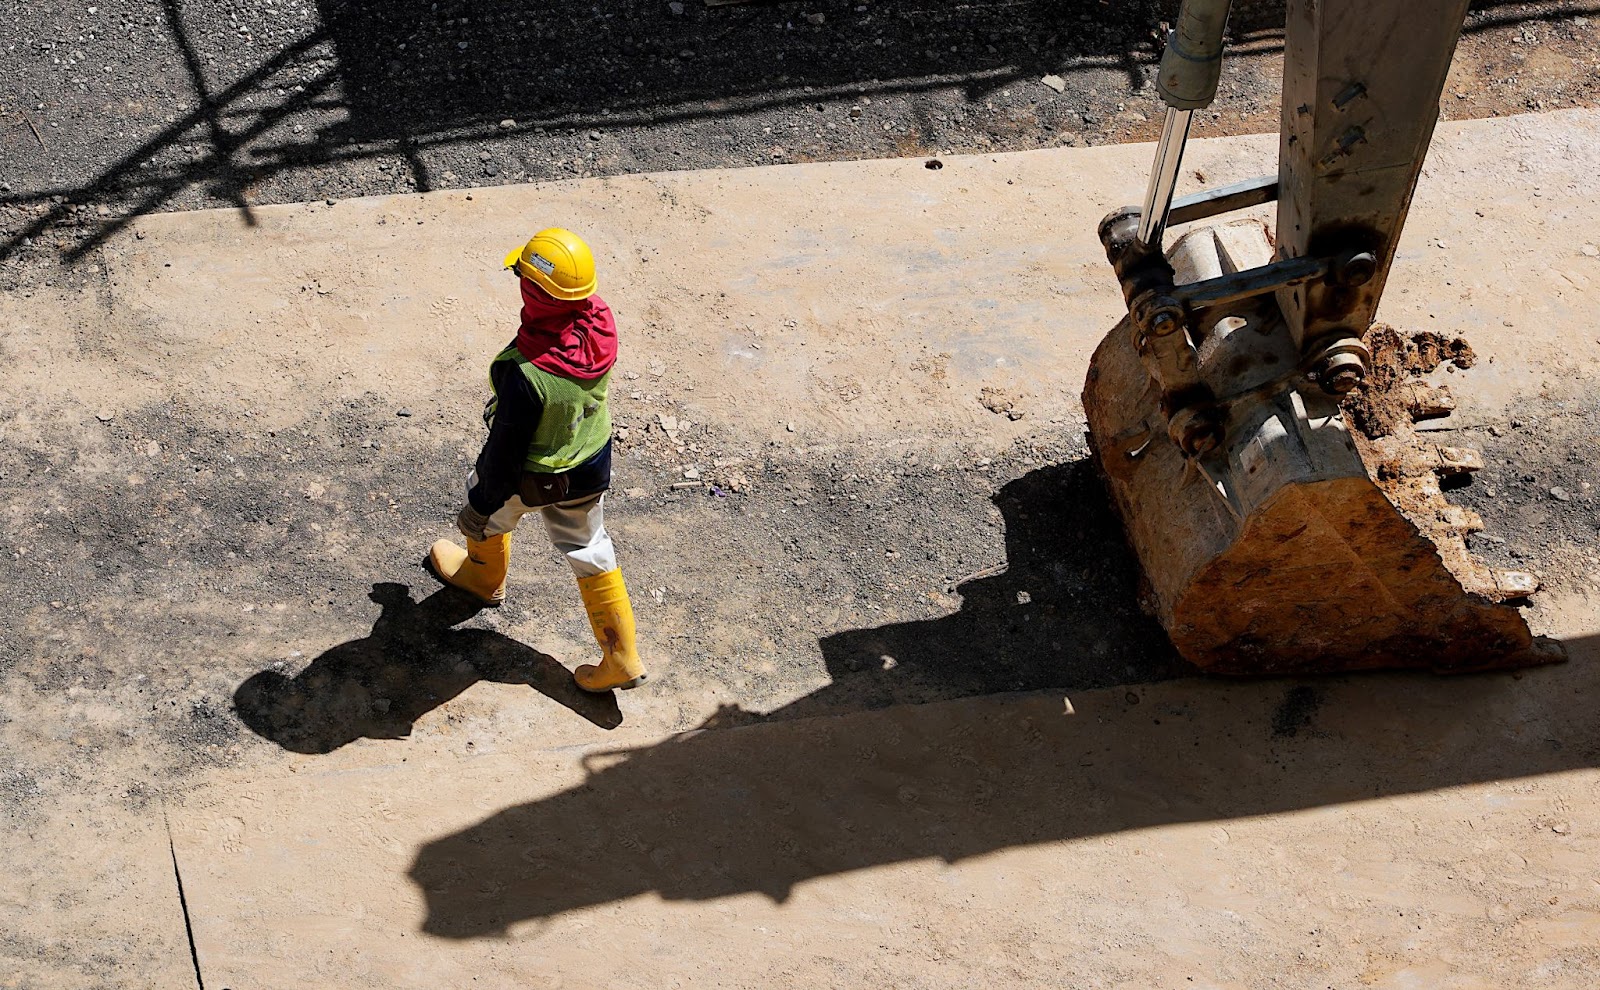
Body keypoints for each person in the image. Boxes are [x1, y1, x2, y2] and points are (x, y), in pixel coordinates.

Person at [427, 227, 647, 693]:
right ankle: (621, 657)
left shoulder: (527, 374)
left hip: (535, 475)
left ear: (534, 291)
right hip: (589, 459)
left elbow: (505, 456)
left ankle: (483, 579)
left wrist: (481, 503)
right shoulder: (597, 323)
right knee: (589, 547)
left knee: (487, 514)